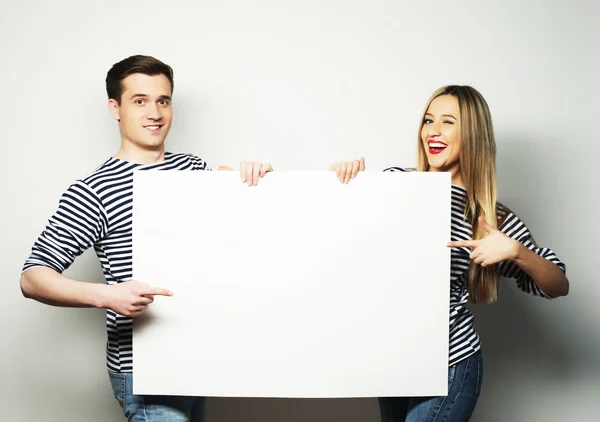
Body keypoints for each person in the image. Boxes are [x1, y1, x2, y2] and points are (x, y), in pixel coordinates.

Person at [20, 54, 272, 422]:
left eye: (163, 100)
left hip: (196, 354)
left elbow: (250, 223)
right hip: (143, 368)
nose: (154, 112)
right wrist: (108, 295)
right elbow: (32, 277)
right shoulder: (95, 190)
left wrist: (257, 177)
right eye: (139, 101)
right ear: (115, 108)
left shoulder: (194, 169)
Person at [330, 85, 569, 421]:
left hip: (449, 362)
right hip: (393, 359)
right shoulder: (395, 184)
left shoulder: (487, 215)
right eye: (428, 120)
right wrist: (342, 182)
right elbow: (330, 234)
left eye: (447, 122)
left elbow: (558, 284)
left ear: (471, 134)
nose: (434, 131)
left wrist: (516, 251)